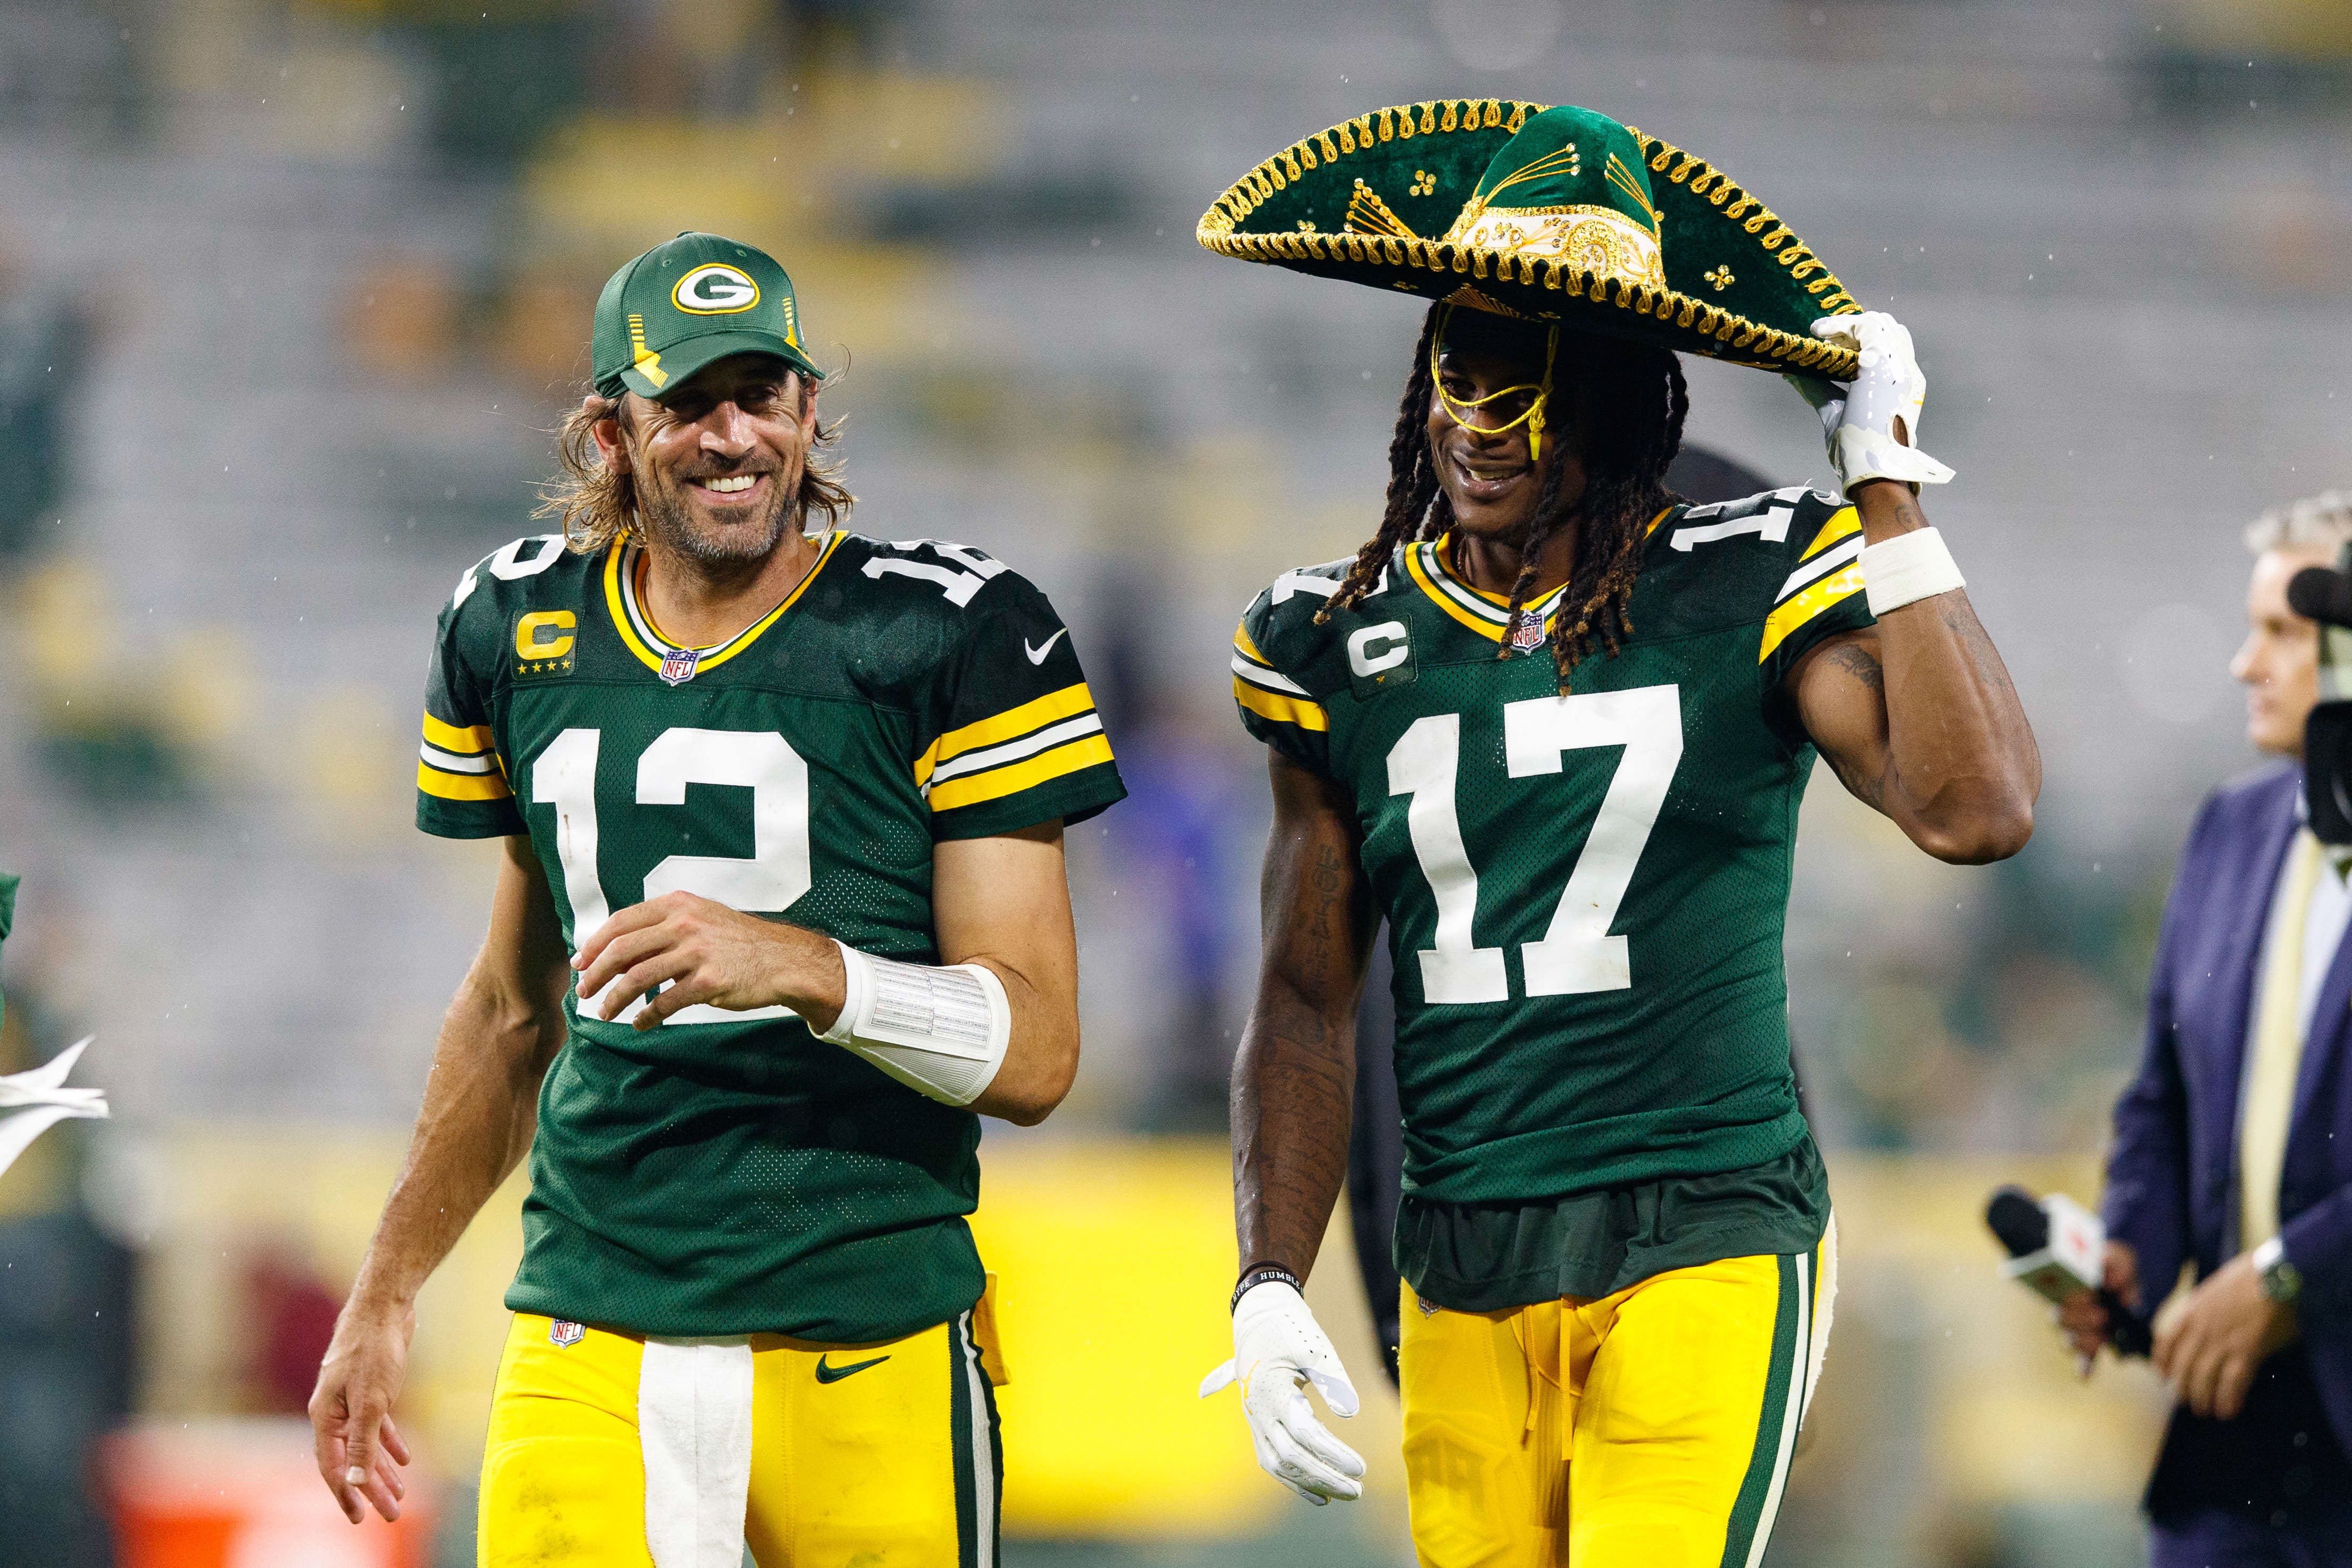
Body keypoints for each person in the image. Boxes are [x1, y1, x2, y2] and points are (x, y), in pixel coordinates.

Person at [1194, 101, 2040, 1566]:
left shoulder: (1746, 574)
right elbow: (1307, 993)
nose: (1478, 420)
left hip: (1702, 1228)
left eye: (1528, 378)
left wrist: (1883, 484)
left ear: (1620, 392)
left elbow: (1976, 807)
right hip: (1463, 1254)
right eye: (1457, 368)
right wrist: (1269, 1274)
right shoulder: (1331, 635)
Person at [306, 231, 1126, 1566]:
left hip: (866, 1329)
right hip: (592, 1320)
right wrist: (387, 1284)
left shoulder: (948, 632)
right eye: (688, 400)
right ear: (609, 432)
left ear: (812, 410)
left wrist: (805, 967)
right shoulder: (515, 625)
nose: (731, 434)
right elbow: (520, 1006)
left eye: (763, 393)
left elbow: (1034, 1053)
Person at [2064, 490, 2352, 1566]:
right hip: (2233, 1423)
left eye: (2283, 630)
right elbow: (2164, 1096)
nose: (2245, 663)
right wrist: (2128, 1245)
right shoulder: (2232, 824)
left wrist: (2290, 1273)